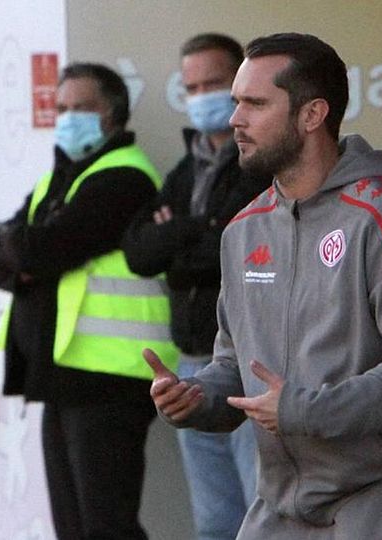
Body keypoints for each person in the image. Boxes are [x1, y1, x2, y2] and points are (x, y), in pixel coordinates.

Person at [143, 33, 382, 539]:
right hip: (280, 505)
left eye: (255, 104)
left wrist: (303, 410)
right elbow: (235, 365)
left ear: (312, 115)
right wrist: (197, 396)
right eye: (235, 103)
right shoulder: (245, 230)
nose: (234, 120)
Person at [0, 62, 179, 540]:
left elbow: (43, 248)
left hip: (107, 378)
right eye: (62, 107)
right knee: (73, 527)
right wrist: (25, 251)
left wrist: (27, 252)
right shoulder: (63, 177)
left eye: (82, 108)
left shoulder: (123, 177)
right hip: (61, 374)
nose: (68, 117)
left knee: (105, 525)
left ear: (111, 114)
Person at [122, 33, 271, 540]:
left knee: (264, 513)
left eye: (215, 83)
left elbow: (235, 251)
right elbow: (140, 252)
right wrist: (197, 228)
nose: (203, 95)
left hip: (251, 364)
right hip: (190, 360)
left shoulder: (262, 167)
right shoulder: (185, 170)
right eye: (192, 86)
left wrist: (181, 237)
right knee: (213, 523)